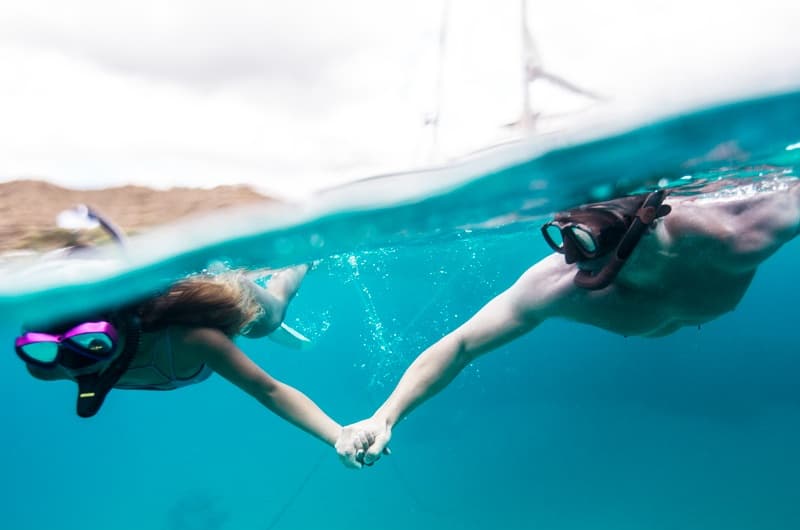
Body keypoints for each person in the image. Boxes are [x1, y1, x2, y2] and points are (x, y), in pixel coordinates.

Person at [335, 180, 800, 467]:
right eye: (564, 239)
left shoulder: (741, 231)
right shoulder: (558, 283)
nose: (573, 259)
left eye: (586, 240)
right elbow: (460, 346)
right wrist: (385, 416)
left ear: (645, 224)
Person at [15, 207, 341, 448]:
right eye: (46, 349)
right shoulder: (46, 366)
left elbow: (268, 390)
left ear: (118, 325)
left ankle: (303, 258)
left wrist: (337, 435)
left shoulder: (192, 339)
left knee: (271, 316)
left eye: (92, 345)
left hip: (213, 298)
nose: (74, 365)